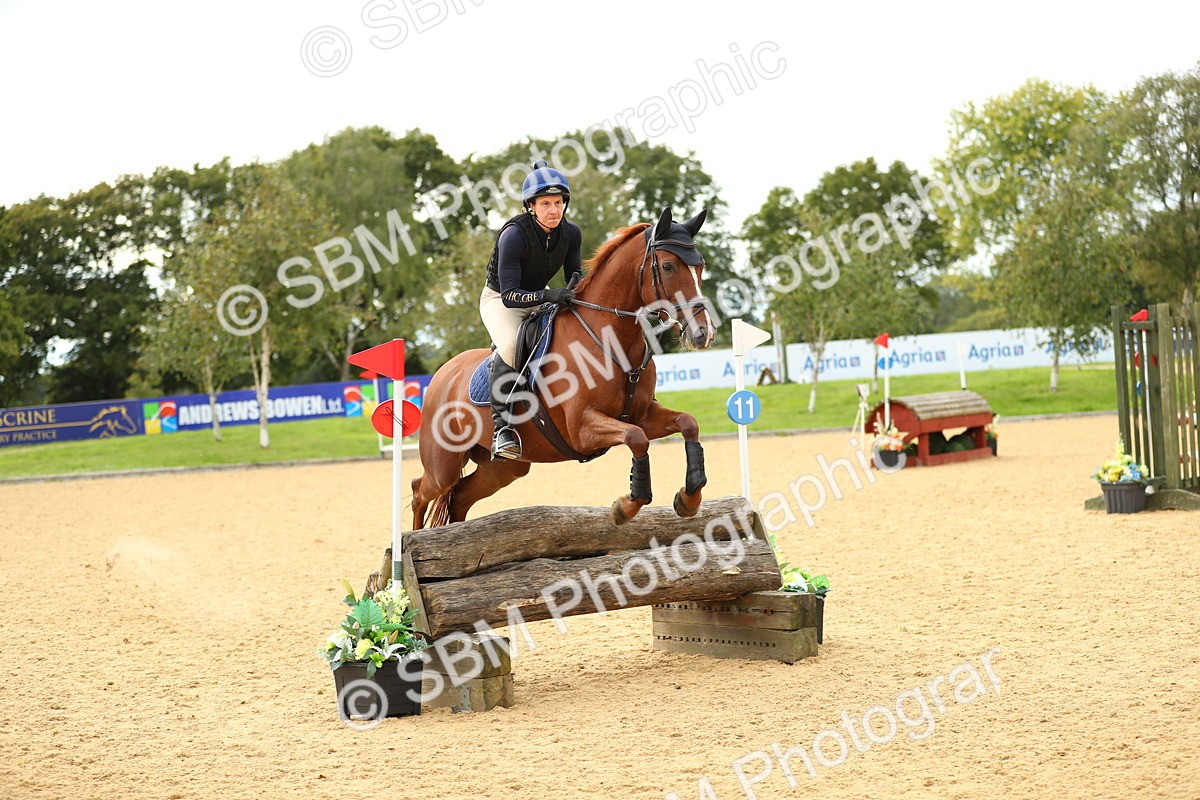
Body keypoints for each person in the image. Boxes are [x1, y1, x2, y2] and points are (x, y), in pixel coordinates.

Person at [480, 160, 582, 460]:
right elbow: (511, 296)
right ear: (531, 207)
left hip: (542, 298)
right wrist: (551, 296)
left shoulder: (570, 233)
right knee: (511, 345)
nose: (554, 210)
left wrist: (575, 291)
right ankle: (502, 430)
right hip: (500, 300)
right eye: (546, 203)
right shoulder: (513, 235)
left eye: (559, 202)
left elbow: (574, 275)